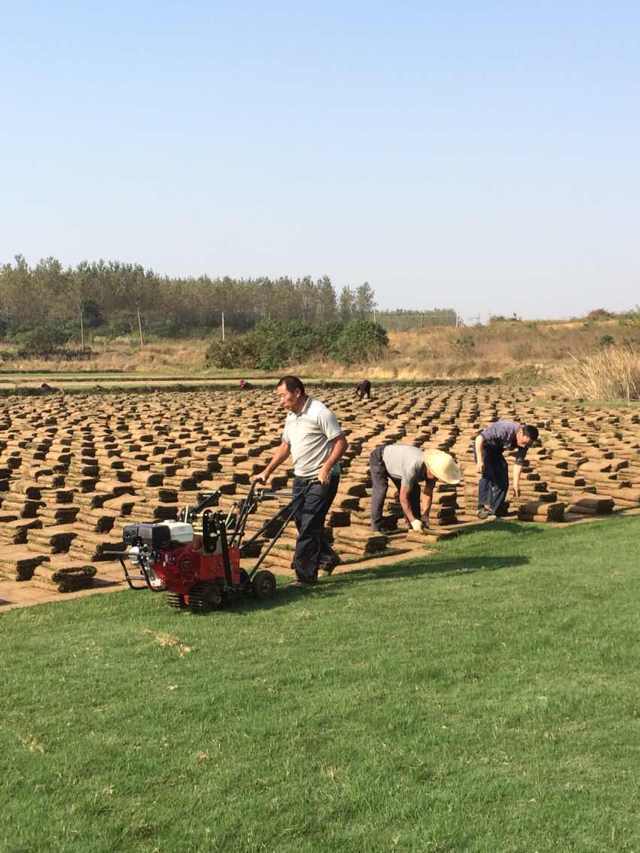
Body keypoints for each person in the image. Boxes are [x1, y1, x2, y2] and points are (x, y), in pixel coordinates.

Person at [255, 376, 348, 585]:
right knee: (300, 520)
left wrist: (326, 468)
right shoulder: (291, 416)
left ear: (297, 392)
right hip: (300, 477)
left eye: (283, 395)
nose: (280, 401)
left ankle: (305, 577)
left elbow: (341, 442)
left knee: (309, 525)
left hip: (321, 479)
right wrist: (267, 471)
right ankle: (327, 557)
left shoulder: (320, 412)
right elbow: (285, 446)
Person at [369, 445, 462, 533]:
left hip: (399, 465)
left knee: (414, 490)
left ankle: (417, 524)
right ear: (430, 469)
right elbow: (403, 497)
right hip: (380, 458)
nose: (436, 479)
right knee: (381, 489)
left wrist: (425, 516)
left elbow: (428, 493)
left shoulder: (432, 471)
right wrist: (413, 520)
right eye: (436, 476)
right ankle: (376, 526)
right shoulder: (413, 467)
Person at [474, 421, 539, 519]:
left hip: (496, 451)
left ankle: (494, 510)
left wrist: (516, 485)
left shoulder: (525, 444)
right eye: (524, 443)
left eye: (528, 444)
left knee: (503, 480)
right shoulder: (505, 429)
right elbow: (479, 439)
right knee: (488, 473)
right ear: (520, 433)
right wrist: (479, 461)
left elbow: (518, 463)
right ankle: (482, 507)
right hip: (484, 447)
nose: (524, 446)